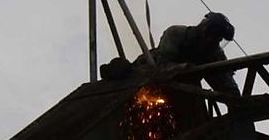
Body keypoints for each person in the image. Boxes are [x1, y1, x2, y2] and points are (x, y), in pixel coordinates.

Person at [102, 12, 240, 95]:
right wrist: (185, 68)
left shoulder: (214, 54)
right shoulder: (176, 34)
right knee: (123, 69)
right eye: (214, 36)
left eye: (219, 39)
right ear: (205, 30)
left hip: (183, 90)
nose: (214, 42)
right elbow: (162, 64)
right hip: (150, 73)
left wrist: (235, 98)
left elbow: (225, 83)